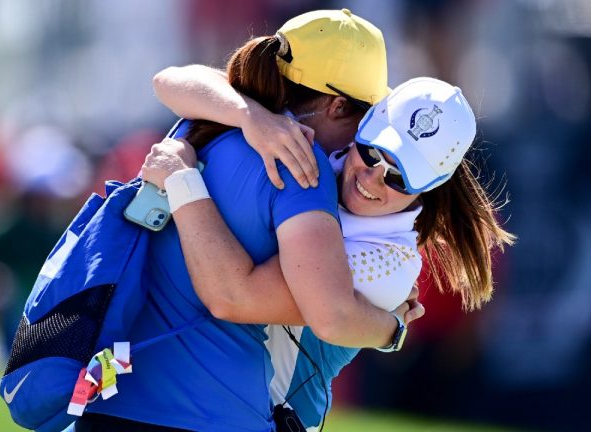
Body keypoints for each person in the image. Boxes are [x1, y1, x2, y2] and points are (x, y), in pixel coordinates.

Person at [76, 9, 412, 432]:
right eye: (365, 118)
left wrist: (248, 115)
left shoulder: (202, 120)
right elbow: (274, 304)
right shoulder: (305, 171)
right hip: (213, 412)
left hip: (112, 396)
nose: (362, 140)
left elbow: (168, 79)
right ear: (338, 105)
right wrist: (390, 326)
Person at [142, 75, 515, 430]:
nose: (373, 178)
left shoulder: (388, 267)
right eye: (373, 153)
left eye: (399, 177)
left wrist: (181, 180)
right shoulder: (328, 153)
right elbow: (170, 82)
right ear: (361, 130)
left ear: (431, 186)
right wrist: (251, 116)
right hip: (192, 402)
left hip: (261, 419)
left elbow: (233, 296)